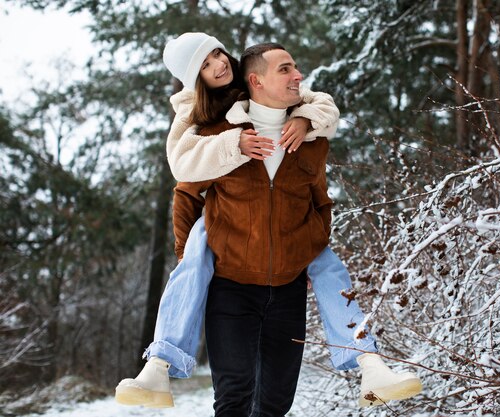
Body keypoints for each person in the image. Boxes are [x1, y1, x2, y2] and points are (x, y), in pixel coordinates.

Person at [115, 33, 421, 411]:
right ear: (256, 80)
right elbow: (184, 184)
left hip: (288, 289)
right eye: (205, 66)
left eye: (217, 55)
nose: (217, 65)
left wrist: (308, 122)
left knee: (276, 401)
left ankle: (369, 364)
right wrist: (192, 258)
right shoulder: (209, 124)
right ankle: (159, 365)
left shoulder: (309, 137)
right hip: (232, 288)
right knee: (234, 394)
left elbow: (320, 196)